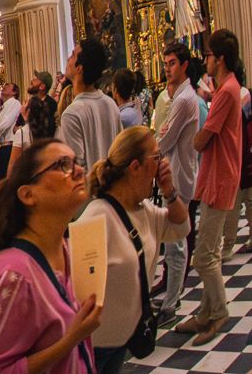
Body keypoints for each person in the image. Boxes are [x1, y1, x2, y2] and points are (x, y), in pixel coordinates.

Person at [0, 139, 102, 372]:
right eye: (62, 165)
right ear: (27, 194)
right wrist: (69, 340)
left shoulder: (67, 249)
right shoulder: (13, 276)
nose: (78, 170)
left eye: (77, 162)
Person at [78, 126, 189, 373]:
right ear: (135, 167)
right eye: (156, 158)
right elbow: (77, 292)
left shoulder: (145, 210)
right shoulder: (96, 219)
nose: (162, 164)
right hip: (94, 346)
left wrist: (169, 191)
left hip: (121, 340)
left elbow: (181, 228)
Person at [178, 28, 245, 346]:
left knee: (204, 256)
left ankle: (218, 311)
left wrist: (195, 135)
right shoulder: (226, 89)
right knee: (209, 250)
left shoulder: (227, 91)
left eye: (207, 55)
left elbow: (202, 139)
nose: (204, 59)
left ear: (219, 59)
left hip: (220, 176)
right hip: (218, 174)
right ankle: (205, 312)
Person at [156, 41, 201, 320]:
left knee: (177, 242)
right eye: (165, 63)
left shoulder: (184, 99)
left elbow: (165, 139)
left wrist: (161, 135)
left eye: (172, 63)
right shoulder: (180, 97)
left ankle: (172, 302)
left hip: (179, 177)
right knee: (173, 241)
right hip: (175, 173)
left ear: (184, 65)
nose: (167, 69)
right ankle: (171, 295)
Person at [58, 39, 121, 172]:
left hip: (89, 189)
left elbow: (77, 167)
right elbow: (119, 152)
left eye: (73, 55)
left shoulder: (71, 114)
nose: (68, 60)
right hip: (111, 187)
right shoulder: (110, 104)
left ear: (79, 68)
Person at [223, 80, 252, 257]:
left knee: (233, 203)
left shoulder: (229, 96)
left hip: (236, 152)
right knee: (251, 197)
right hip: (251, 150)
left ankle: (228, 246)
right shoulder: (249, 93)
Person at [0, 83, 23, 182]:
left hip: (7, 147)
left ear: (14, 92)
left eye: (8, 85)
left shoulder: (14, 103)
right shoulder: (4, 107)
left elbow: (7, 122)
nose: (4, 86)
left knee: (4, 179)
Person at [26, 71, 59, 141]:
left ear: (42, 86)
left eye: (36, 79)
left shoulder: (51, 104)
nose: (32, 80)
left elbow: (47, 131)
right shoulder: (31, 102)